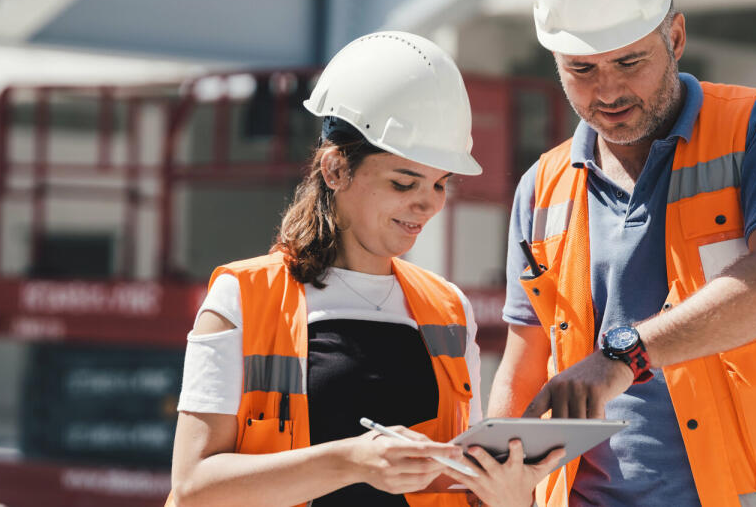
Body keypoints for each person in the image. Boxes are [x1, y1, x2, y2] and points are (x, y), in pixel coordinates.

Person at [488, 0, 756, 506]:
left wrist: (625, 355)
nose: (608, 89)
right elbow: (526, 360)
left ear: (676, 38)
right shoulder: (541, 188)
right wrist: (497, 485)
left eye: (629, 61)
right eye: (582, 69)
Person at [168, 31, 562, 507]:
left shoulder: (449, 309)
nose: (427, 204)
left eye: (441, 185)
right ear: (335, 170)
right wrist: (351, 462)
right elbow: (192, 488)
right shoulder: (242, 297)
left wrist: (510, 495)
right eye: (404, 182)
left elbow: (463, 488)